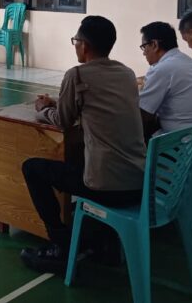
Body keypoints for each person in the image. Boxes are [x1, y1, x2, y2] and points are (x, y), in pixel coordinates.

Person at [20, 15, 146, 273]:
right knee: (77, 161)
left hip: (106, 186)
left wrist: (43, 108)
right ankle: (104, 242)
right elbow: (94, 104)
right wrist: (59, 102)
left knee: (32, 168)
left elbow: (62, 121)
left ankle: (60, 246)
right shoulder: (126, 73)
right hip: (139, 181)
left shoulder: (76, 74)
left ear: (84, 45)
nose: (75, 45)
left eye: (75, 41)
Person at [138, 21, 192, 140]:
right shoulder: (186, 61)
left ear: (154, 45)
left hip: (188, 144)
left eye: (144, 47)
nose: (144, 53)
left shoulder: (163, 69)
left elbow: (142, 115)